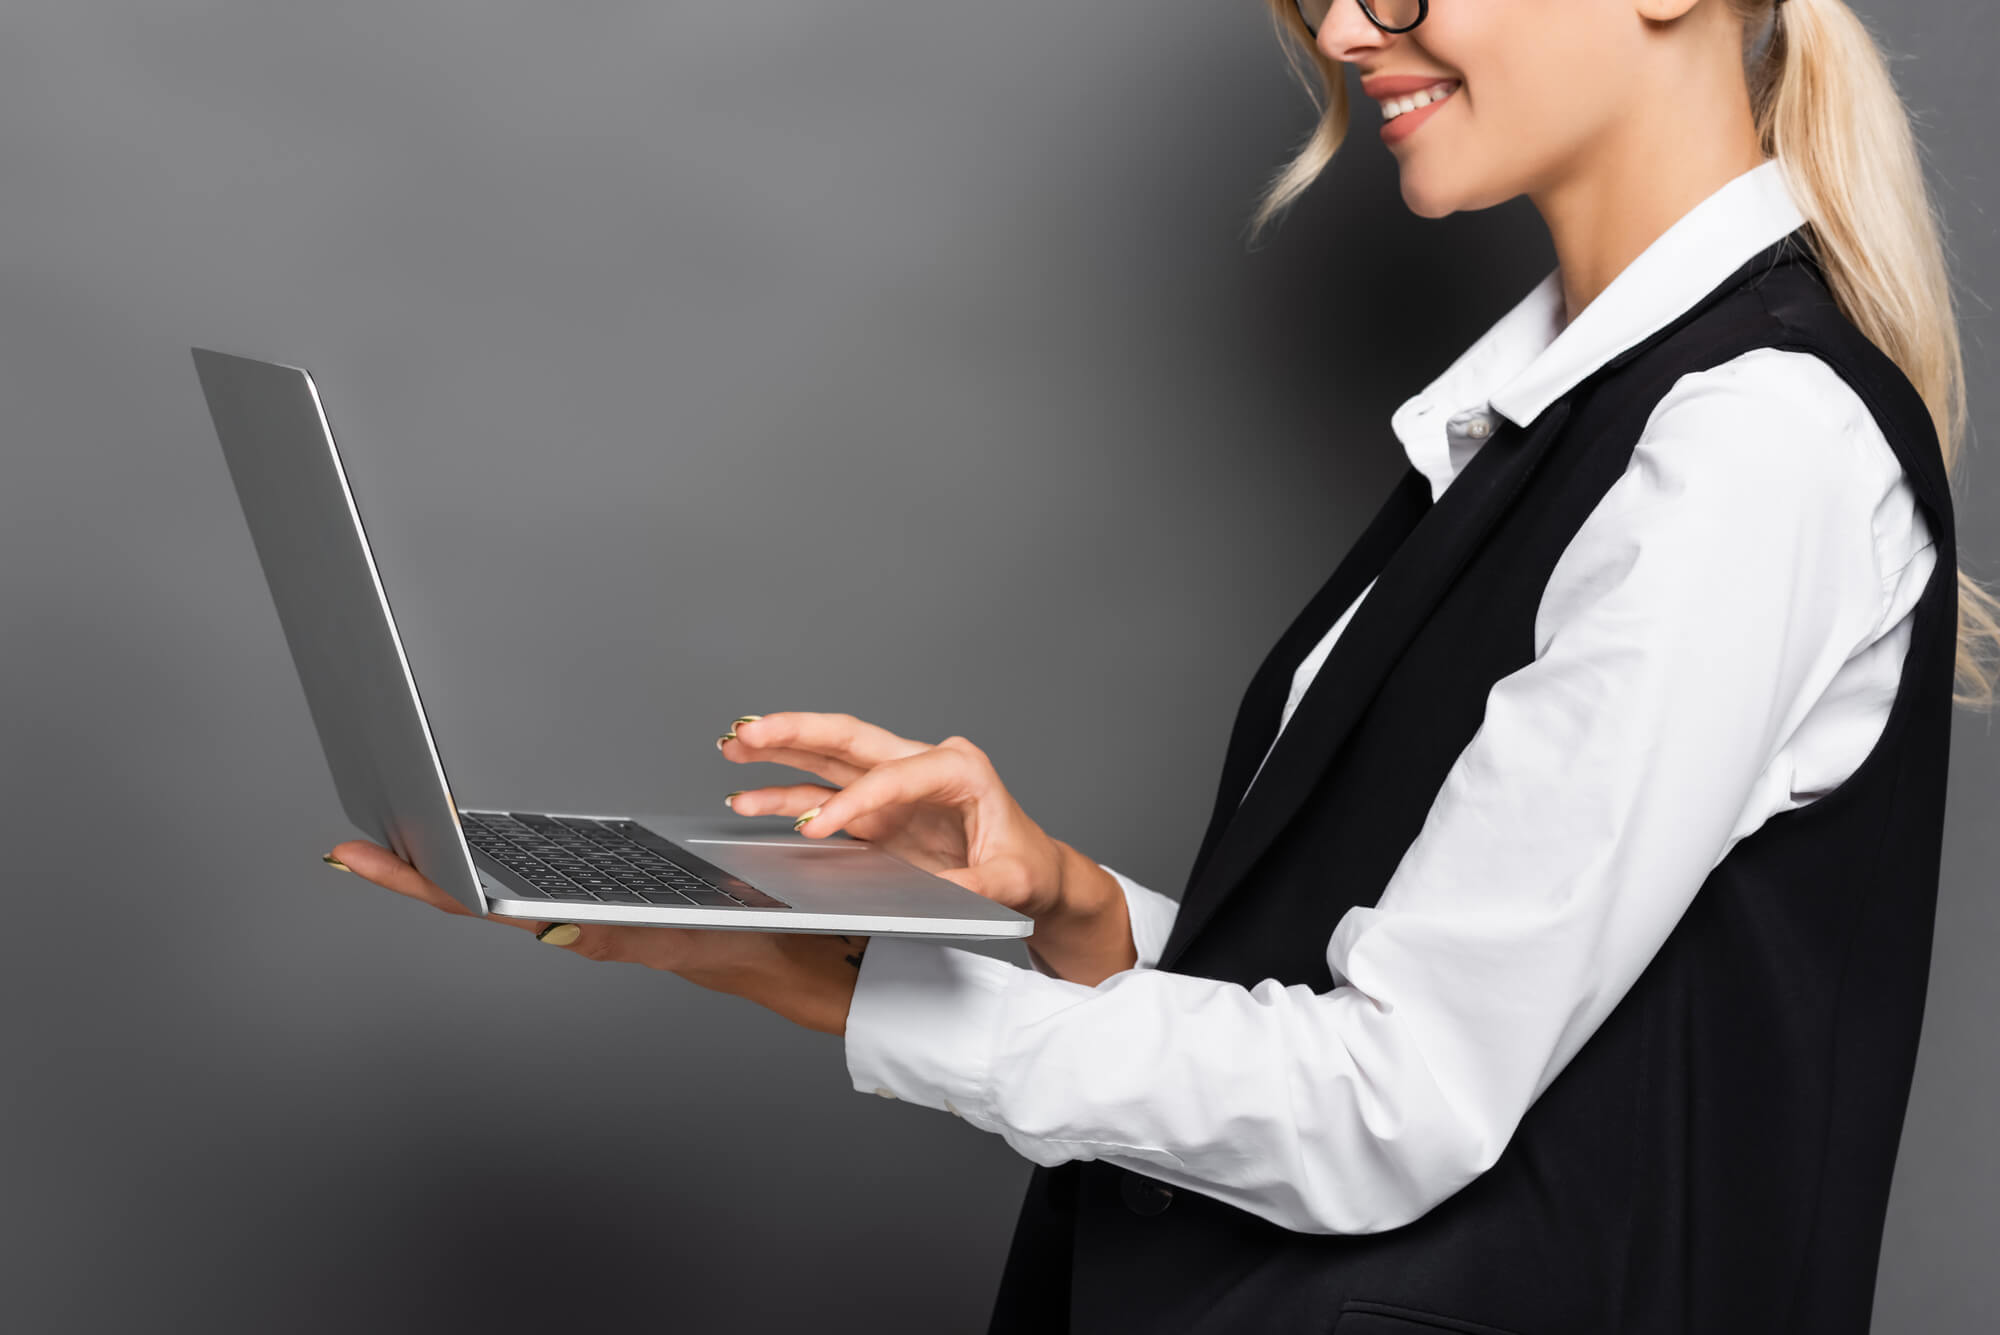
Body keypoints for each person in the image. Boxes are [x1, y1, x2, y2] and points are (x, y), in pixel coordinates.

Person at [325, 0, 1998, 1330]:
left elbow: (1396, 1102)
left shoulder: (1746, 444)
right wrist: (1076, 916)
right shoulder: (1546, 428)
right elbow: (1443, 1006)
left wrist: (844, 987)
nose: (1347, 31)